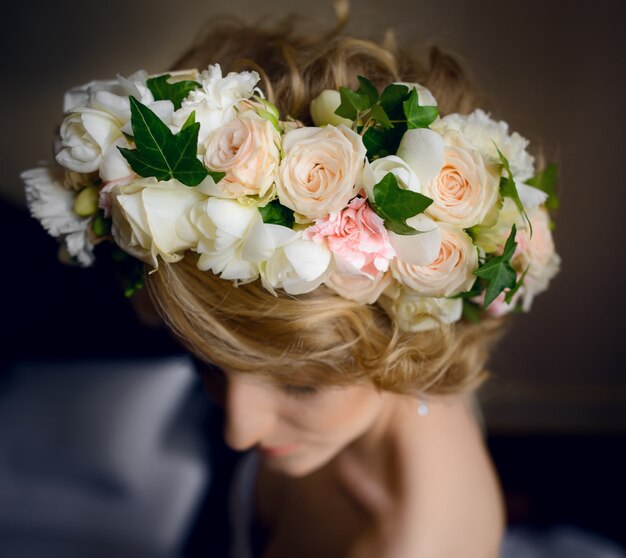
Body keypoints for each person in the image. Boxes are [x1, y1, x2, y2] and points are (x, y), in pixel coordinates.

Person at [21, 1, 568, 556]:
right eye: (211, 364)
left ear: (413, 339)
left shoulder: (407, 543)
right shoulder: (355, 420)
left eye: (300, 385)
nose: (239, 431)